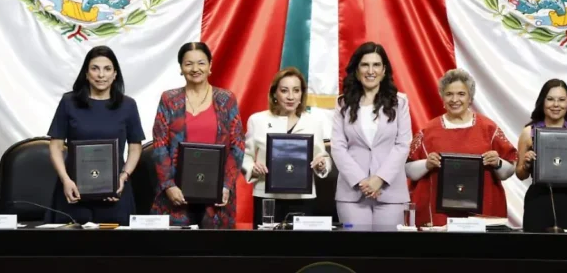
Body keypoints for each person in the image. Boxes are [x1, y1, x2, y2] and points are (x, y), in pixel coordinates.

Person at [47, 45, 145, 226]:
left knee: (116, 251)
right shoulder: (69, 102)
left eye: (107, 69)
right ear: (86, 73)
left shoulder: (128, 105)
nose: (101, 75)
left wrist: (123, 176)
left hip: (116, 190)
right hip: (73, 190)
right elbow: (56, 146)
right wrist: (65, 180)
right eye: (95, 68)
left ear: (115, 74)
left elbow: (135, 147)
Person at [150, 42, 245, 229]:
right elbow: (160, 144)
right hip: (176, 192)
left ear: (210, 65)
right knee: (175, 253)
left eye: (201, 63)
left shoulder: (226, 100)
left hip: (217, 194)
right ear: (180, 68)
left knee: (215, 253)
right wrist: (168, 186)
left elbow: (238, 146)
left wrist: (226, 186)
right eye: (188, 64)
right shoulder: (169, 99)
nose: (195, 69)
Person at [405, 69, 517, 227]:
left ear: (470, 97)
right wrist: (427, 164)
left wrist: (497, 162)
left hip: (482, 212)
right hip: (439, 216)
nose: (454, 99)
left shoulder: (488, 128)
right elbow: (409, 170)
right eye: (449, 94)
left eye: (461, 94)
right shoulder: (428, 130)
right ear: (442, 97)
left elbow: (509, 169)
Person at [330, 42, 411, 228]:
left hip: (390, 192)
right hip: (352, 193)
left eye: (376, 65)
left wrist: (379, 179)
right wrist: (361, 181)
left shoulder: (400, 102)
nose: (370, 70)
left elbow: (402, 145)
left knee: (386, 256)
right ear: (356, 70)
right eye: (365, 65)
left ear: (384, 70)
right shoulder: (343, 103)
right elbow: (338, 147)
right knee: (355, 254)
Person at [242, 67, 332, 226]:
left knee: (300, 249)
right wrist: (252, 168)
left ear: (302, 95)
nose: (291, 96)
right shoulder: (257, 120)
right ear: (275, 94)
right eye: (284, 90)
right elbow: (245, 156)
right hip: (267, 197)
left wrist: (322, 163)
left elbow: (322, 156)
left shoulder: (314, 122)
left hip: (303, 198)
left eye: (296, 90)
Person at [516, 79, 567, 232]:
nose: (556, 105)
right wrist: (526, 164)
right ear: (542, 101)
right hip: (538, 199)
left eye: (561, 100)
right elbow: (520, 174)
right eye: (550, 99)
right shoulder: (528, 132)